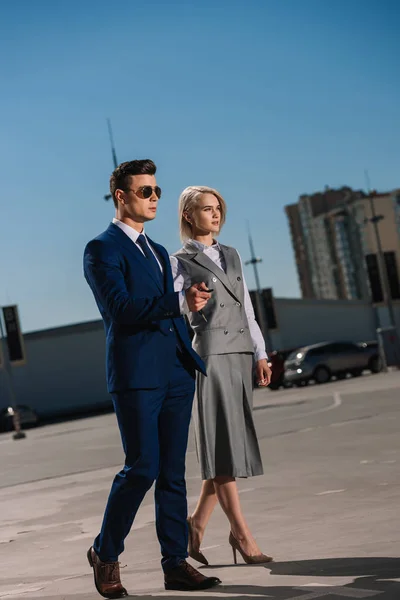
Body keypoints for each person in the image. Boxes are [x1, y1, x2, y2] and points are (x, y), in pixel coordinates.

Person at [83, 161, 221, 598]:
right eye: (145, 191)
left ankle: (175, 564)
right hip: (137, 375)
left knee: (173, 473)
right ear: (121, 197)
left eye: (157, 189)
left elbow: (171, 308)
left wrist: (190, 311)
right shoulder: (101, 249)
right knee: (141, 468)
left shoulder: (159, 251)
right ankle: (106, 552)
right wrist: (178, 301)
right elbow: (121, 309)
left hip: (175, 372)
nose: (154, 197)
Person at [170, 185, 273, 566]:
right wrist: (186, 302)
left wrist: (260, 352)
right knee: (223, 447)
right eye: (206, 209)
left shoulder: (232, 254)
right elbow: (177, 309)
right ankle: (241, 535)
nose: (215, 215)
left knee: (226, 446)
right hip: (210, 355)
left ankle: (195, 527)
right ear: (187, 215)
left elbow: (246, 307)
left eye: (218, 209)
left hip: (240, 353)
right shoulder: (178, 260)